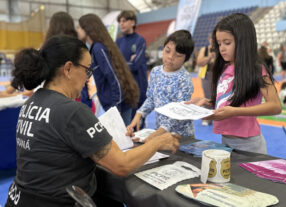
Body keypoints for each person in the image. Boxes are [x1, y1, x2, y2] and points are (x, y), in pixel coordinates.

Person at [5, 36, 179, 207]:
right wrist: (157, 142)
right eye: (87, 70)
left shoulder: (32, 102)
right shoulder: (71, 111)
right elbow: (122, 165)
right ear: (68, 69)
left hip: (18, 199)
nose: (88, 78)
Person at [186, 13, 281, 154]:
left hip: (250, 145)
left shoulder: (257, 69)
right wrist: (206, 102)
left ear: (243, 41)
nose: (221, 48)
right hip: (226, 141)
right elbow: (230, 101)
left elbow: (275, 106)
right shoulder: (225, 68)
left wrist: (235, 112)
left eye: (227, 43)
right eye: (219, 44)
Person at [128, 30, 195, 138]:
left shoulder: (184, 79)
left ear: (185, 59)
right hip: (161, 132)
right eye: (167, 51)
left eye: (177, 55)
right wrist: (139, 114)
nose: (170, 57)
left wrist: (157, 134)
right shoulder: (155, 72)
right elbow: (151, 99)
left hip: (181, 136)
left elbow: (179, 112)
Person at [77, 14, 139, 125]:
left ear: (87, 28)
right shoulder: (95, 48)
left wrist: (115, 108)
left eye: (79, 27)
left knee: (121, 141)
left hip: (117, 104)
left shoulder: (98, 48)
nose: (77, 30)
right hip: (117, 102)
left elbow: (114, 77)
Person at [116, 10, 148, 126]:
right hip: (124, 89)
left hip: (139, 87)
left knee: (138, 125)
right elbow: (114, 64)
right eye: (120, 21)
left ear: (133, 22)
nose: (121, 24)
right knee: (125, 126)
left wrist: (122, 64)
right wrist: (129, 61)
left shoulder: (140, 40)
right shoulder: (118, 41)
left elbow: (135, 65)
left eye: (124, 21)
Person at [196, 34, 215, 126]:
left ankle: (219, 117)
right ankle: (207, 117)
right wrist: (209, 57)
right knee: (208, 96)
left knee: (220, 97)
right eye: (212, 38)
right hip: (207, 75)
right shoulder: (205, 49)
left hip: (219, 75)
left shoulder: (222, 49)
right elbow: (199, 62)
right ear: (209, 39)